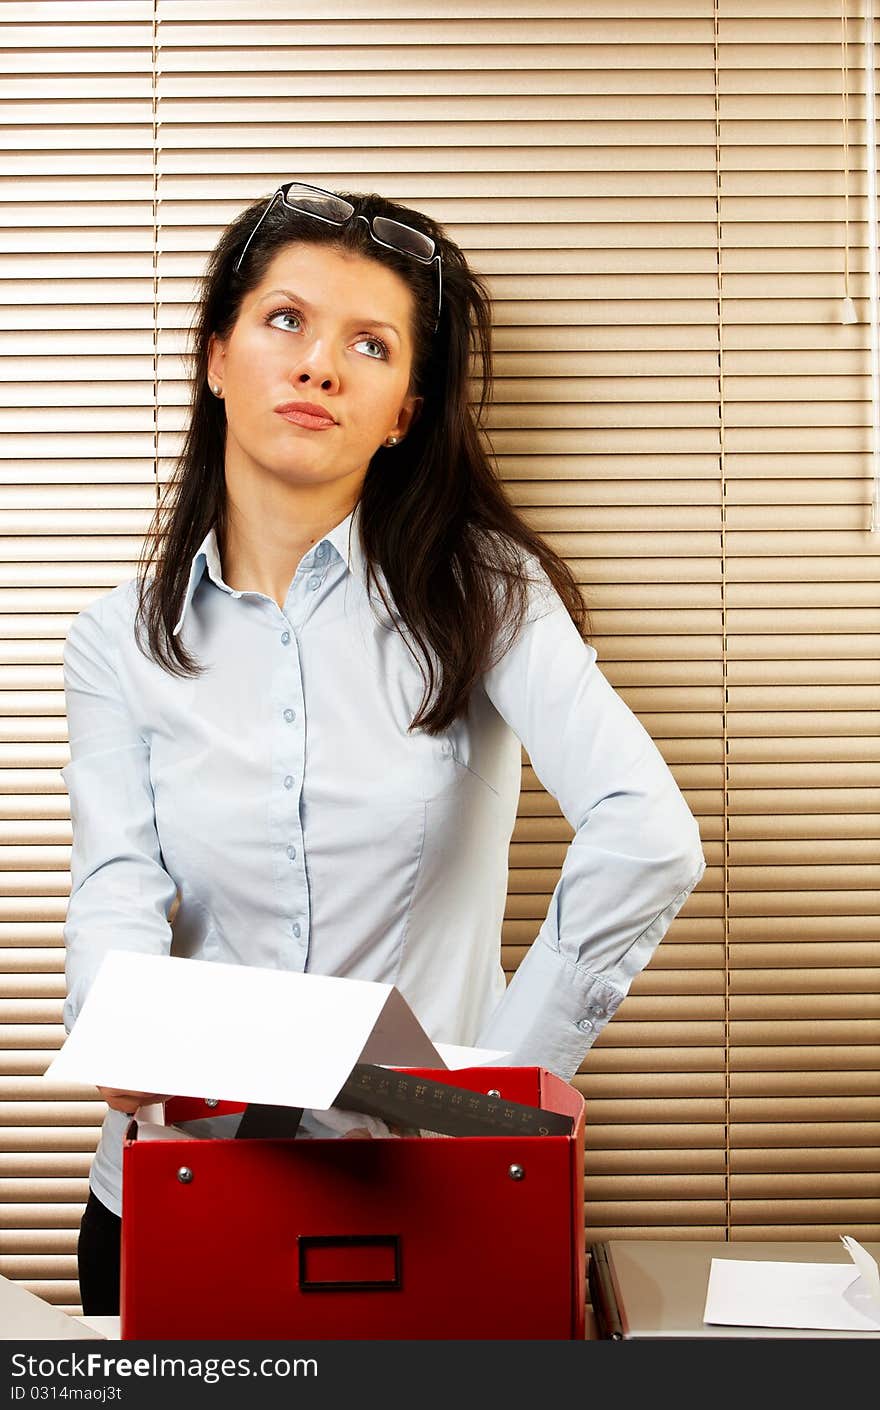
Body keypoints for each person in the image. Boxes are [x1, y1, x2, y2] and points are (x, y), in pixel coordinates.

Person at [61, 181, 706, 1314]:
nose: (318, 367)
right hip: (174, 1194)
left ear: (404, 406)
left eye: (369, 343)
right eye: (285, 322)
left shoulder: (486, 596)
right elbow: (117, 885)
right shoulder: (117, 639)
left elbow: (647, 833)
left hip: (435, 1196)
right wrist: (111, 1029)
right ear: (215, 357)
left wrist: (493, 1086)